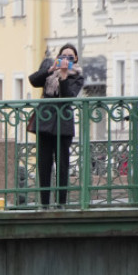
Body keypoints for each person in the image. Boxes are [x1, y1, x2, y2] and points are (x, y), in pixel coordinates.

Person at [28, 43, 84, 208]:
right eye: (63, 56)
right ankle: (44, 203)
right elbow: (33, 80)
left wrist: (64, 76)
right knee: (44, 164)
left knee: (62, 164)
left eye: (70, 57)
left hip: (63, 123)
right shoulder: (49, 68)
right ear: (58, 57)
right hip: (44, 122)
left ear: (76, 59)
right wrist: (51, 70)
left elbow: (68, 97)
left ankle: (61, 202)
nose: (66, 60)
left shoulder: (77, 76)